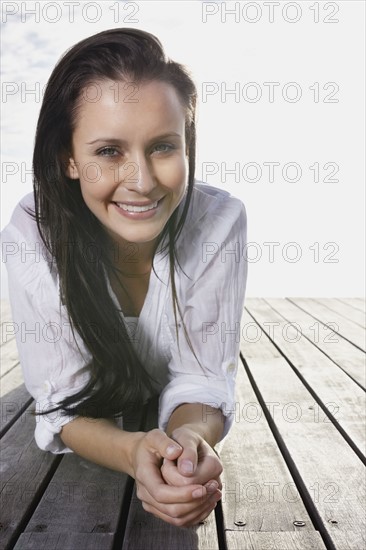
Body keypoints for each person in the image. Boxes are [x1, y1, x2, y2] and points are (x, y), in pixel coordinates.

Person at [1, 28, 247, 527]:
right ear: (68, 159)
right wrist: (135, 452)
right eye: (109, 151)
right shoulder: (32, 235)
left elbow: (202, 375)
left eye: (162, 146)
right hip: (84, 400)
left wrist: (186, 443)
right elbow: (61, 409)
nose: (143, 180)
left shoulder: (220, 221)